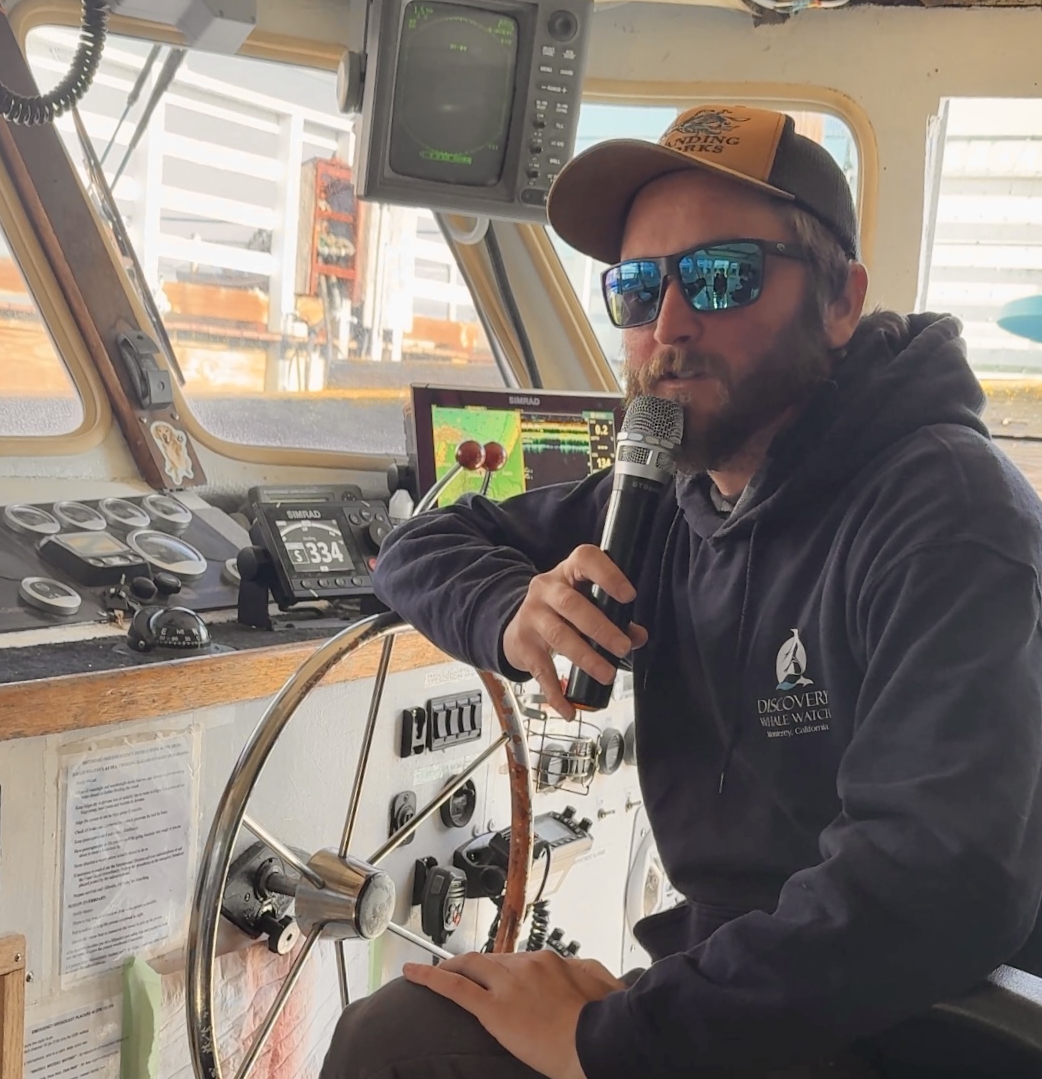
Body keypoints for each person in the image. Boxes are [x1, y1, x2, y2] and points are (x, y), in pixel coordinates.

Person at [319, 105, 1042, 1078]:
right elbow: (418, 545)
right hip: (733, 989)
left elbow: (935, 885)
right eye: (635, 287)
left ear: (839, 301)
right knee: (400, 1028)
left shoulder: (943, 509)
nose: (666, 325)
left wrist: (615, 1037)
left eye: (719, 276)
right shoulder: (665, 496)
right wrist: (511, 609)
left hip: (915, 1024)